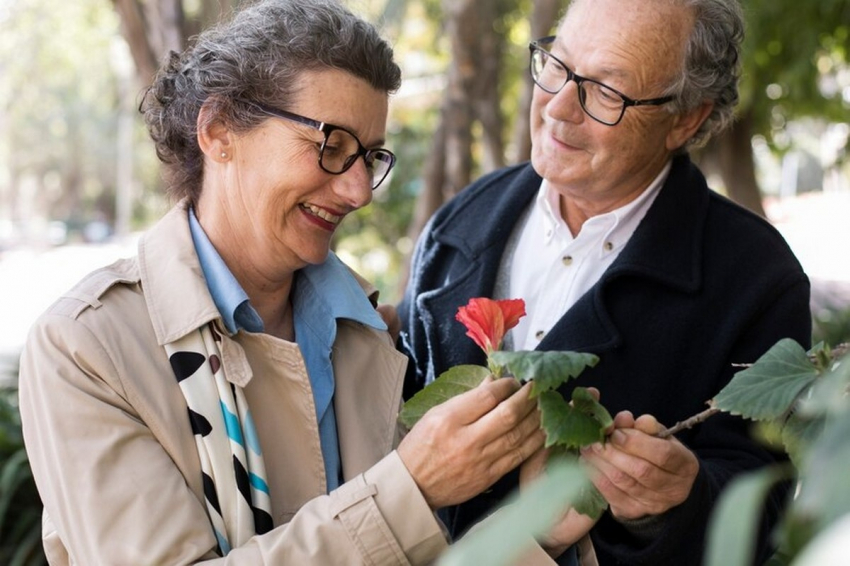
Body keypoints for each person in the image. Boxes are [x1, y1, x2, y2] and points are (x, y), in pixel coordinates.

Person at [18, 1, 550, 564]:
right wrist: (409, 490)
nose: (360, 192)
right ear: (219, 130)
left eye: (368, 157)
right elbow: (393, 522)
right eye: (332, 146)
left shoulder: (369, 330)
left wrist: (541, 535)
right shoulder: (85, 349)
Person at [399, 0, 811, 564]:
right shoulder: (463, 218)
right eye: (556, 65)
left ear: (687, 118)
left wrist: (674, 505)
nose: (558, 107)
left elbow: (761, 513)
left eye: (606, 93)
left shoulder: (757, 279)